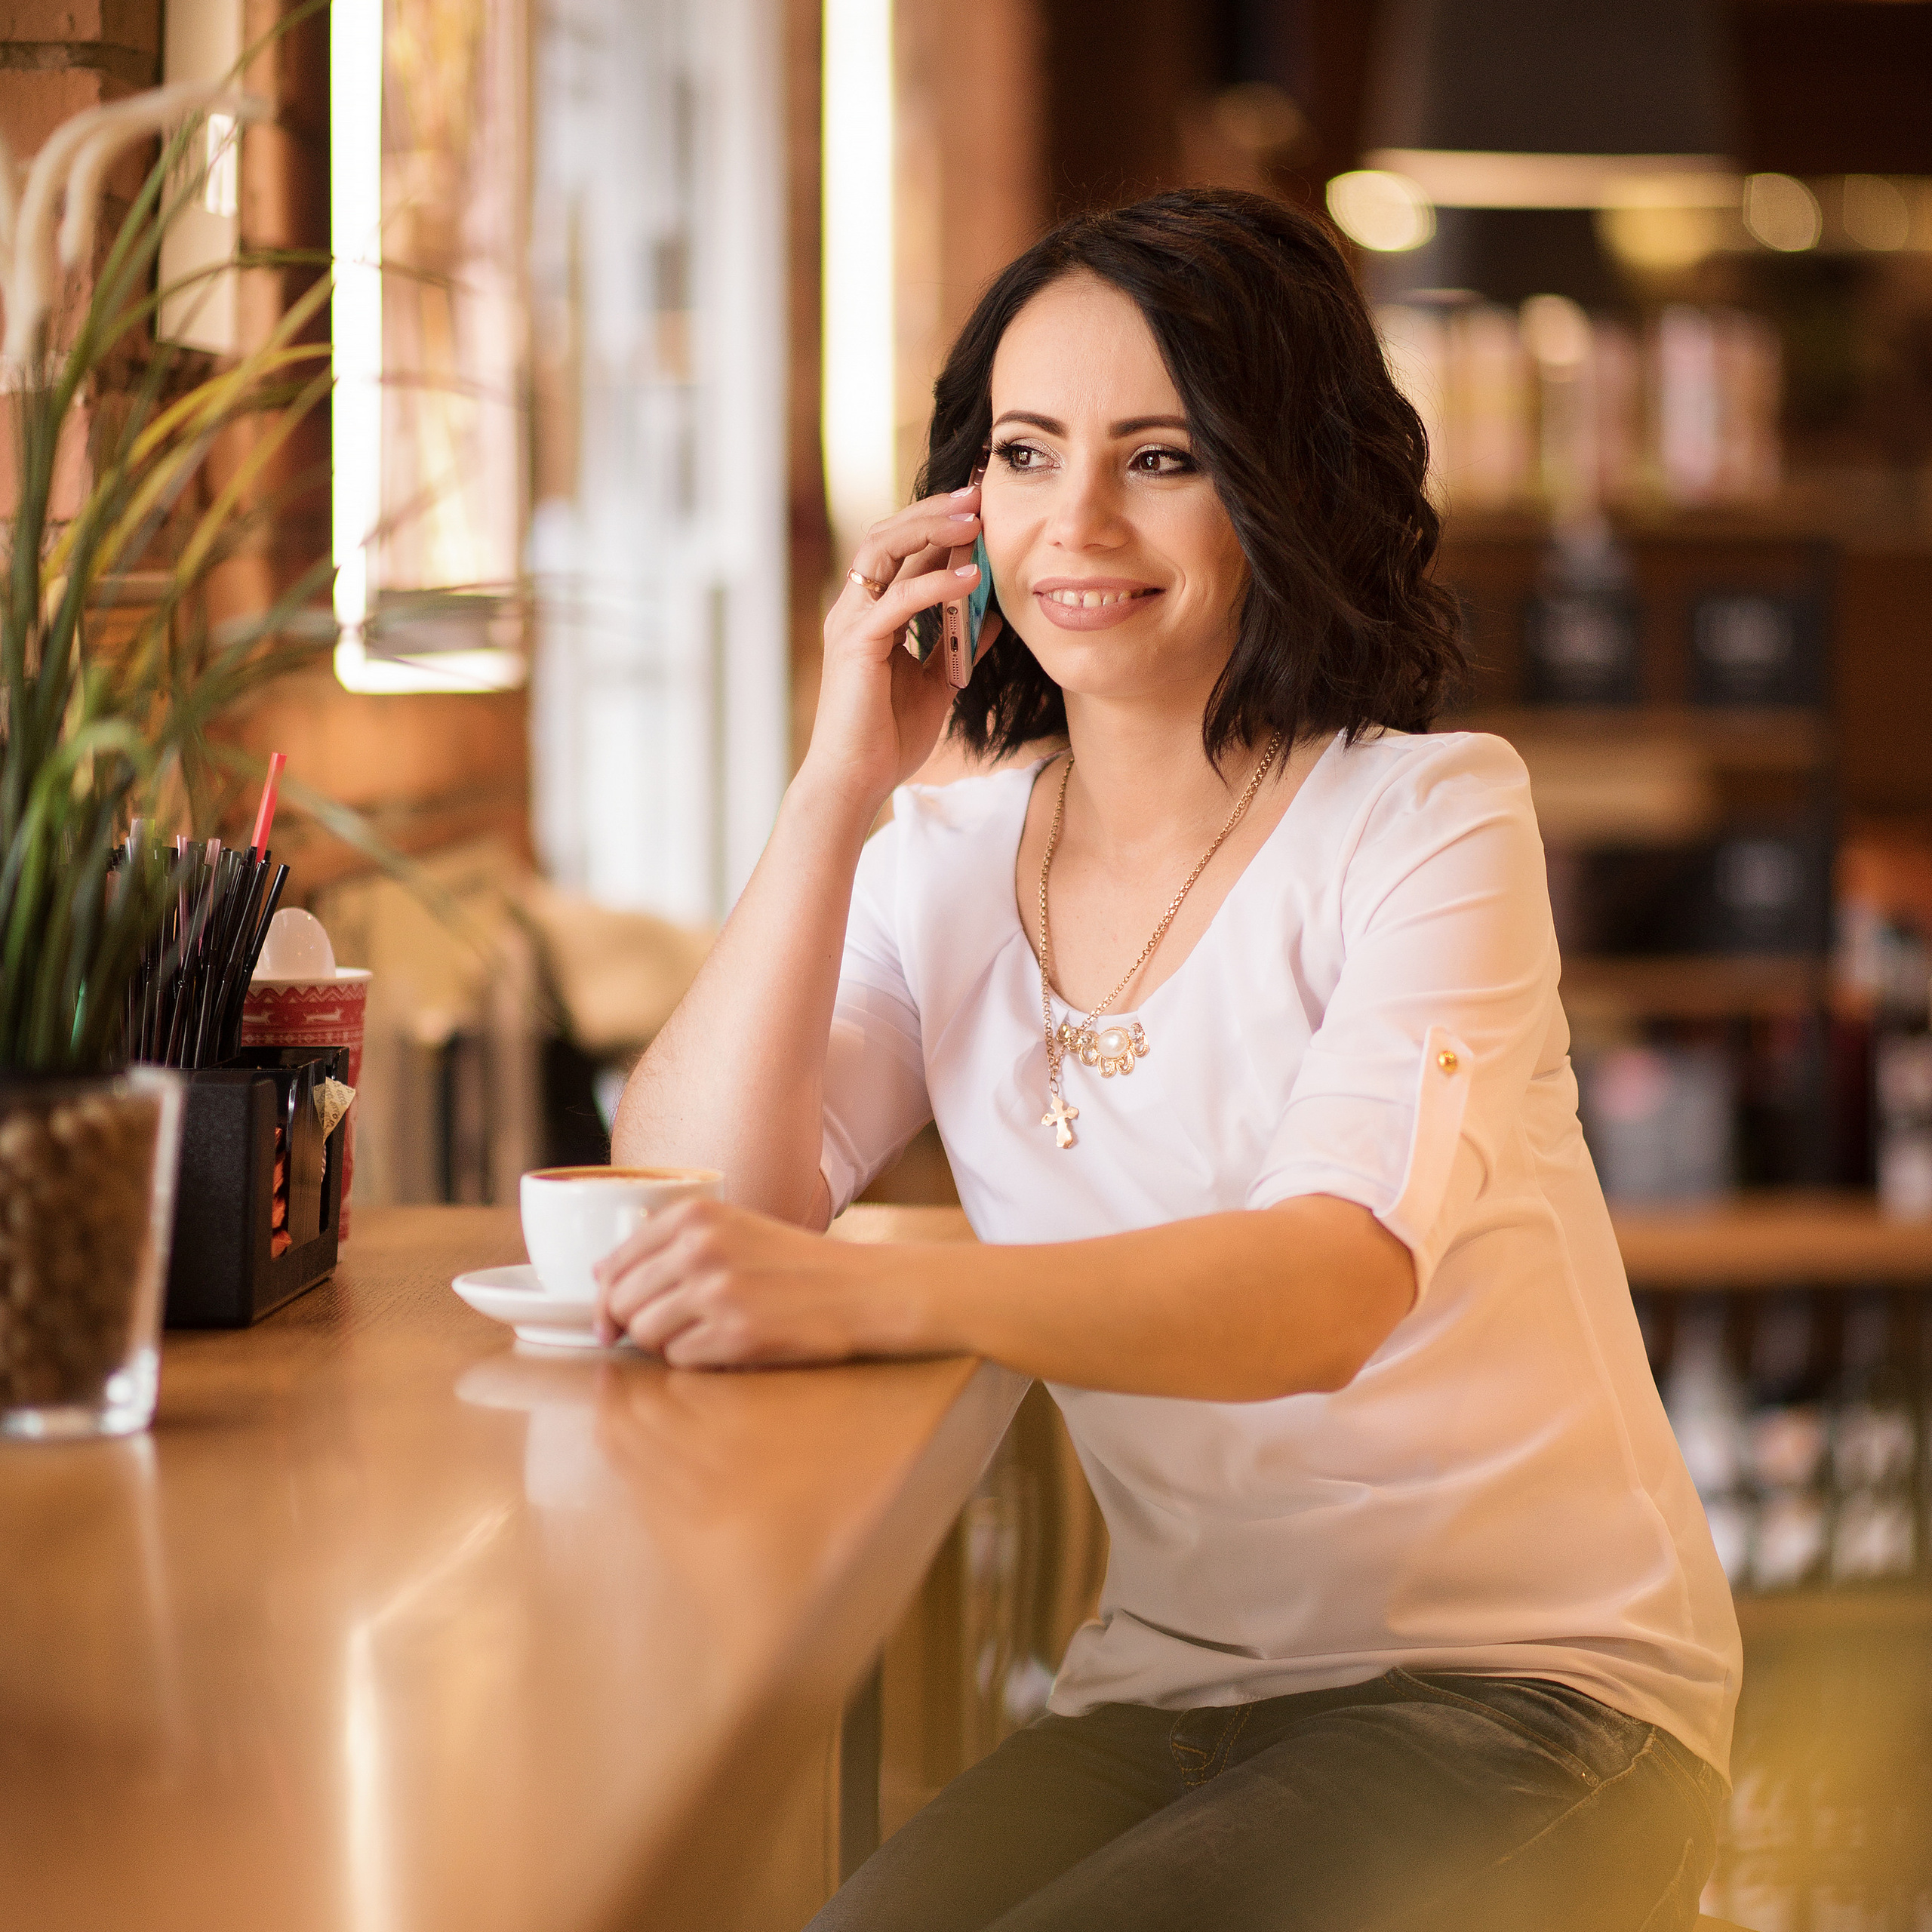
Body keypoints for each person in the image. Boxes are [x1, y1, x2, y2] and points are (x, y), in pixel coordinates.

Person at [602, 188, 1740, 1931]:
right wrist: (833, 794)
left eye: (1159, 458)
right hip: (1166, 1691)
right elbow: (693, 1202)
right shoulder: (939, 859)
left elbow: (1320, 1290)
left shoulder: (1423, 817)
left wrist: (882, 1296)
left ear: (1282, 490)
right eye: (1023, 452)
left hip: (1530, 1693)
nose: (1073, 523)